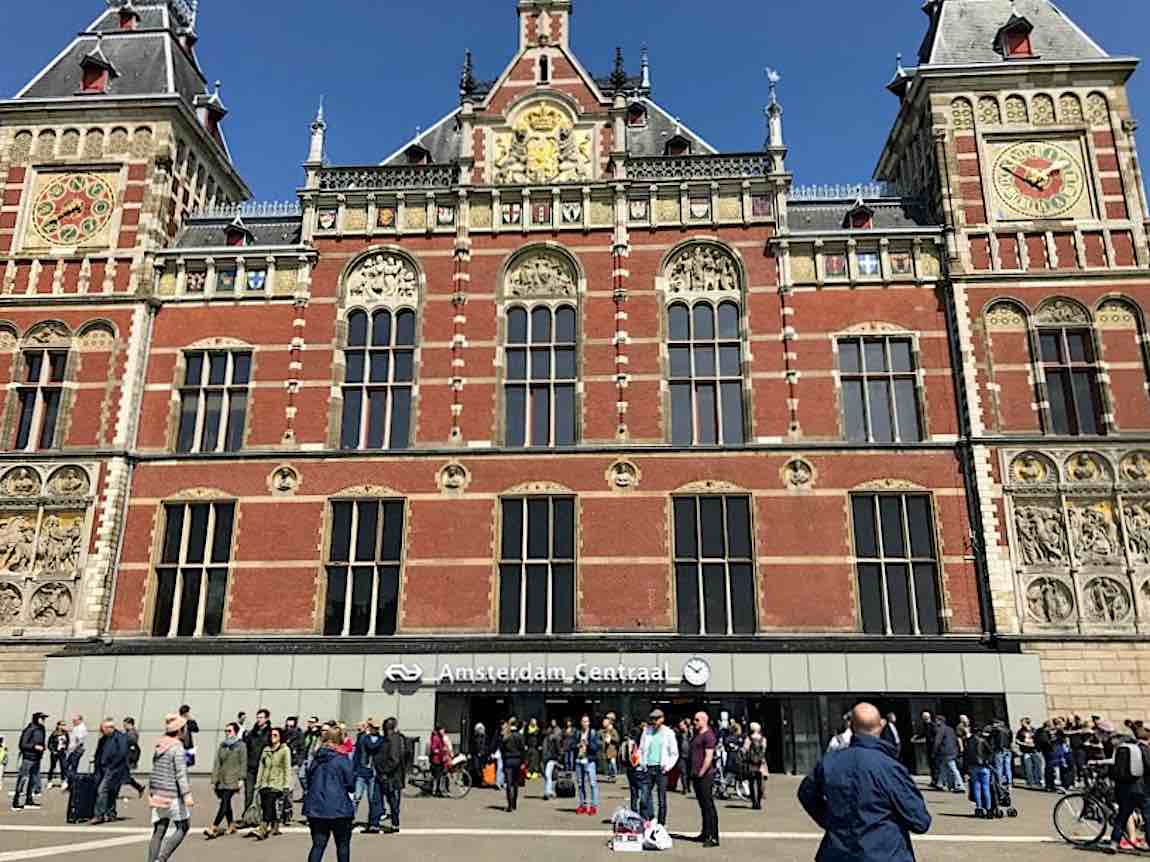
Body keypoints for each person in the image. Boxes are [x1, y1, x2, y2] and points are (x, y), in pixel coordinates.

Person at [799, 703, 932, 862]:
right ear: (881, 725)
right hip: (885, 853)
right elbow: (919, 820)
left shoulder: (829, 762)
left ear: (851, 726)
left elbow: (806, 792)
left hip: (838, 852)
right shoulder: (889, 767)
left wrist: (830, 819)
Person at [303, 725, 356, 862]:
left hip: (316, 808)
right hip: (339, 808)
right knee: (342, 846)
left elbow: (308, 780)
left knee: (318, 845)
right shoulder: (343, 759)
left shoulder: (316, 759)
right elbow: (351, 784)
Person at [147, 713, 194, 862]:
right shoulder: (177, 747)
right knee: (184, 827)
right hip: (172, 795)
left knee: (159, 830)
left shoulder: (160, 745)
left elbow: (155, 769)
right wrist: (187, 795)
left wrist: (152, 791)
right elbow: (181, 774)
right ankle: (161, 859)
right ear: (180, 730)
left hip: (158, 794)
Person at [205, 722, 247, 839]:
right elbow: (217, 763)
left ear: (235, 732)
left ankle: (214, 826)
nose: (227, 733)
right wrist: (214, 779)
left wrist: (241, 779)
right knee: (226, 803)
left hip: (233, 779)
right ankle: (231, 825)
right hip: (222, 779)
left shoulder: (241, 745)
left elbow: (243, 763)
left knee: (224, 802)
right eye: (226, 731)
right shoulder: (222, 745)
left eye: (229, 731)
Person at [248, 726, 291, 840]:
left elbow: (287, 768)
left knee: (269, 804)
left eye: (275, 735)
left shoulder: (285, 750)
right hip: (264, 783)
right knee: (267, 805)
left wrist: (286, 784)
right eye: (271, 735)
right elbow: (261, 767)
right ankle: (275, 826)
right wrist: (258, 783)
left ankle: (263, 828)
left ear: (281, 737)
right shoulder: (266, 750)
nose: (273, 737)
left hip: (277, 783)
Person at [638, 709, 677, 825]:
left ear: (662, 719)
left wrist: (667, 766)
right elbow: (641, 749)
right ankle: (647, 820)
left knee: (661, 799)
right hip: (648, 767)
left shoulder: (668, 733)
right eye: (652, 719)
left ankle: (661, 824)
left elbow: (674, 753)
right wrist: (641, 763)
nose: (654, 721)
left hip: (661, 768)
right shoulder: (647, 731)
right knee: (644, 798)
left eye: (657, 719)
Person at [689, 711, 719, 848]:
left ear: (704, 720)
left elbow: (708, 757)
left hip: (705, 776)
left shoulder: (709, 735)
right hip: (696, 775)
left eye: (696, 720)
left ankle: (713, 836)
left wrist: (701, 772)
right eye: (694, 720)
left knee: (708, 806)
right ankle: (705, 833)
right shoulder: (697, 735)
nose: (694, 722)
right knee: (702, 806)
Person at [372, 717, 406, 833]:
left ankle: (395, 824)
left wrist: (384, 771)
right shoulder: (386, 739)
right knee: (377, 799)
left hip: (391, 776)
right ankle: (374, 824)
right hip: (384, 774)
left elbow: (394, 759)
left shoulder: (394, 739)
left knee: (392, 801)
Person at [92, 718, 129, 823]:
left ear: (110, 728)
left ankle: (99, 815)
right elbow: (99, 753)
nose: (101, 731)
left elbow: (122, 753)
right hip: (103, 769)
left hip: (114, 769)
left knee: (102, 790)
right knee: (111, 791)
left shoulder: (120, 738)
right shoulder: (103, 739)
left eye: (102, 729)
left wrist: (112, 766)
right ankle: (111, 814)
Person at [12, 711, 46, 810]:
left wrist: (43, 747)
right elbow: (22, 744)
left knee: (33, 779)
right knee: (23, 778)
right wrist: (35, 747)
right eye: (42, 718)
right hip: (28, 758)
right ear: (36, 718)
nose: (43, 720)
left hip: (37, 758)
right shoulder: (30, 729)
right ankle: (16, 801)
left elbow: (41, 741)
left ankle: (29, 799)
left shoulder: (41, 729)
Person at [353, 720, 384, 829]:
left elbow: (376, 750)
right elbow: (357, 754)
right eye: (373, 727)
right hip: (362, 771)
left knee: (372, 799)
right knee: (356, 797)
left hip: (373, 773)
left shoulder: (381, 740)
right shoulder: (363, 739)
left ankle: (373, 822)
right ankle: (349, 819)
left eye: (377, 727)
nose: (375, 729)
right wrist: (354, 769)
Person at [243, 708, 272, 813]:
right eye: (257, 717)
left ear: (267, 718)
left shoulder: (271, 733)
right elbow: (245, 749)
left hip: (264, 768)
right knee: (248, 793)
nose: (259, 719)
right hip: (251, 768)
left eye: (261, 717)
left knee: (263, 794)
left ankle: (262, 818)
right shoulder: (251, 734)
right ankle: (247, 816)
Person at [571, 714, 600, 816]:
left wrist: (588, 744)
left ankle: (593, 806)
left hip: (589, 761)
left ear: (589, 723)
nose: (585, 724)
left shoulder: (593, 733)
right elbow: (571, 745)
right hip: (579, 760)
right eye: (583, 721)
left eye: (587, 721)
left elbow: (596, 748)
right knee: (580, 784)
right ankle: (582, 805)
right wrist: (577, 745)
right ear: (581, 723)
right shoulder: (577, 733)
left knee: (592, 784)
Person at [965, 726, 995, 818]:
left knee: (976, 788)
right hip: (983, 766)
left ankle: (979, 808)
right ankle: (989, 809)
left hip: (973, 766)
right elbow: (990, 752)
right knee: (986, 788)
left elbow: (966, 755)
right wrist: (987, 761)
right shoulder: (983, 741)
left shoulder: (969, 742)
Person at [931, 716, 964, 793]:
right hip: (952, 751)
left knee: (952, 768)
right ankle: (940, 783)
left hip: (945, 752)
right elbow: (955, 739)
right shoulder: (950, 729)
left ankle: (960, 785)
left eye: (936, 721)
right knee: (943, 767)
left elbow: (937, 741)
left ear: (940, 721)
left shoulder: (941, 729)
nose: (935, 722)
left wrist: (934, 752)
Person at [500, 718, 526, 813]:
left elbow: (502, 750)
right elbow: (523, 750)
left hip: (508, 760)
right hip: (517, 760)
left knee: (508, 783)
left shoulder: (506, 736)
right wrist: (523, 762)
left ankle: (509, 805)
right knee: (515, 783)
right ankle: (514, 804)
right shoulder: (520, 736)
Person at [743, 722, 769, 811]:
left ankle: (754, 802)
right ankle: (759, 802)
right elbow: (764, 750)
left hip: (751, 763)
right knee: (760, 782)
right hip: (760, 763)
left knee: (751, 783)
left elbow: (745, 749)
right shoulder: (763, 739)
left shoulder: (749, 738)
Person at [122, 717, 146, 798]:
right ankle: (139, 787)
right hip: (126, 757)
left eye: (125, 725)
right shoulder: (128, 732)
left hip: (128, 757)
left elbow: (130, 743)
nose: (124, 727)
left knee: (123, 776)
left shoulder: (132, 733)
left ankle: (139, 787)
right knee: (124, 776)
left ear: (130, 724)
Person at [1016, 717, 1042, 789]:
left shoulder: (1034, 730)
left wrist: (1035, 745)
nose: (1021, 724)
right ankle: (1030, 782)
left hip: (1035, 751)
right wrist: (1022, 744)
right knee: (1028, 767)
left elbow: (1038, 739)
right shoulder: (1020, 731)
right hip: (1026, 751)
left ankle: (1038, 781)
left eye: (1022, 722)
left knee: (1037, 766)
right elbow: (1017, 740)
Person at [63, 714, 87, 792]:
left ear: (79, 720)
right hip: (73, 750)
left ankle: (71, 785)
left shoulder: (81, 728)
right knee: (68, 766)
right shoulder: (76, 727)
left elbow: (79, 741)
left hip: (75, 750)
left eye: (75, 720)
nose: (73, 722)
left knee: (72, 767)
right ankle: (70, 783)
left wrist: (73, 749)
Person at [542, 721, 564, 801]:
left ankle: (547, 792)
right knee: (550, 775)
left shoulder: (555, 739)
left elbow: (558, 748)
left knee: (548, 775)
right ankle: (550, 791)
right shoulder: (546, 738)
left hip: (551, 758)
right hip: (549, 758)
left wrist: (559, 756)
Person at [428, 725, 451, 799]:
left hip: (440, 759)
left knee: (439, 775)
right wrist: (441, 751)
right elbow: (434, 749)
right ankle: (437, 791)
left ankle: (438, 790)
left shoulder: (439, 737)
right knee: (438, 776)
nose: (443, 731)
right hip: (436, 759)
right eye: (442, 730)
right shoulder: (436, 738)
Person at [47, 721, 68, 788]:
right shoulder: (54, 733)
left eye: (64, 725)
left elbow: (68, 741)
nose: (63, 726)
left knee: (63, 767)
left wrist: (66, 748)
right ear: (58, 725)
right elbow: (49, 743)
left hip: (62, 752)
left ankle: (63, 781)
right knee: (52, 767)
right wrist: (53, 751)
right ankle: (49, 781)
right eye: (62, 725)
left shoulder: (66, 733)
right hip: (55, 752)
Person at [601, 717, 620, 781]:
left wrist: (610, 738)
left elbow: (617, 739)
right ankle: (610, 775)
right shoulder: (603, 731)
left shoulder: (613, 730)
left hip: (612, 750)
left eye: (604, 722)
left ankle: (615, 775)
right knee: (609, 764)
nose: (603, 723)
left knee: (613, 762)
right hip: (606, 750)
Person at [676, 719, 692, 795]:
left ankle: (688, 787)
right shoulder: (678, 734)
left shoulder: (691, 733)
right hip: (681, 755)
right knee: (683, 772)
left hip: (690, 755)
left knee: (689, 772)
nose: (680, 727)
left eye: (681, 725)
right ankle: (684, 788)